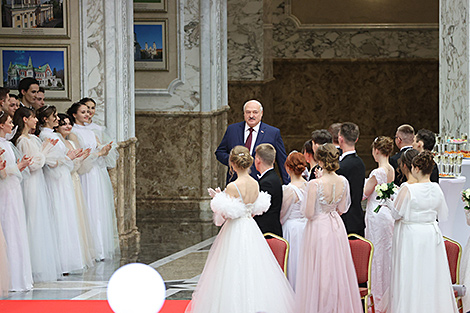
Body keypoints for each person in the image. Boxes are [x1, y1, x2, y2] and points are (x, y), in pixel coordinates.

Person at [186, 145, 294, 313]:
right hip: (251, 229)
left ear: (233, 164)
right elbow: (252, 210)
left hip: (235, 229)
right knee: (253, 268)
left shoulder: (232, 187)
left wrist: (218, 199)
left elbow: (226, 215)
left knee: (230, 270)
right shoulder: (255, 184)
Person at [295, 143, 362, 313]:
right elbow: (342, 209)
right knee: (336, 269)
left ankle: (320, 307)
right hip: (336, 226)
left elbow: (308, 213)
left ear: (320, 161)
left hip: (318, 226)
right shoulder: (343, 181)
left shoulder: (315, 185)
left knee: (319, 269)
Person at [389, 151, 457, 313]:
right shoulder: (436, 188)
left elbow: (395, 214)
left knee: (412, 274)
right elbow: (442, 213)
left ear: (417, 168)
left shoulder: (407, 188)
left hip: (411, 234)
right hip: (430, 233)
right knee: (430, 274)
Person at [12, 107, 62, 281]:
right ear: (25, 120)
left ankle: (40, 261)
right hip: (31, 183)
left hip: (38, 181)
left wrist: (48, 153)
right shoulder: (23, 141)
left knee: (40, 218)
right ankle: (33, 262)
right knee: (32, 217)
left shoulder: (32, 138)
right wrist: (45, 151)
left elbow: (41, 159)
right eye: (33, 117)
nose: (35, 120)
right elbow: (33, 164)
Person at [67, 102, 119, 260]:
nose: (87, 114)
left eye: (88, 112)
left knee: (98, 206)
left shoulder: (92, 130)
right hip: (85, 173)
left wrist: (104, 150)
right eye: (83, 112)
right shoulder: (73, 132)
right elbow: (80, 153)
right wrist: (97, 153)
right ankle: (90, 248)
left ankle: (100, 248)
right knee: (88, 205)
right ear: (74, 115)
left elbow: (98, 146)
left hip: (97, 172)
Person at [37, 106, 86, 274]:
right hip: (54, 180)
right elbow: (50, 160)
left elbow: (62, 157)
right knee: (58, 215)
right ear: (46, 119)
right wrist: (67, 157)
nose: (57, 119)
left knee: (66, 215)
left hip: (63, 178)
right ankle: (60, 262)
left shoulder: (54, 135)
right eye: (54, 116)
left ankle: (68, 259)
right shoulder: (44, 136)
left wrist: (73, 157)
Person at [215, 99, 289, 184]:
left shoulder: (272, 133)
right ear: (244, 113)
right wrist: (234, 161)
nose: (251, 115)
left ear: (261, 113)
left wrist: (287, 185)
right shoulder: (232, 130)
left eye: (255, 112)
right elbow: (220, 152)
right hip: (236, 182)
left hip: (261, 184)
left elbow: (282, 160)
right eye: (248, 112)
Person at [55, 113, 96, 266]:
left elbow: (76, 166)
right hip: (67, 181)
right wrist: (73, 160)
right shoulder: (58, 142)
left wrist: (81, 158)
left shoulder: (71, 143)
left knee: (77, 214)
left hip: (75, 180)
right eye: (63, 124)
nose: (67, 126)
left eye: (69, 123)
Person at [0, 110, 33, 291]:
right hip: (5, 192)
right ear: (1, 125)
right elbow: (3, 173)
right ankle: (10, 276)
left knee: (16, 227)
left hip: (12, 190)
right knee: (9, 226)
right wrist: (17, 166)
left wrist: (20, 166)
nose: (12, 125)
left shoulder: (6, 144)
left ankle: (19, 275)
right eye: (9, 122)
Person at [362, 136, 395, 313]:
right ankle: (388, 293)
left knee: (376, 255)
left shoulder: (377, 173)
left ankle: (377, 296)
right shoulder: (391, 170)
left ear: (376, 151)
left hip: (376, 215)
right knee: (386, 253)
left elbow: (365, 194)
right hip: (387, 213)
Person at [280, 151, 308, 290]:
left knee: (293, 262)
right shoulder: (310, 185)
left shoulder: (289, 190)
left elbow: (283, 213)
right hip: (306, 227)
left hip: (292, 228)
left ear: (288, 168)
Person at [336, 122, 366, 236]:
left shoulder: (341, 167)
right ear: (357, 139)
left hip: (345, 220)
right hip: (357, 218)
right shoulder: (360, 163)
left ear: (340, 139)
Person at [254, 143, 283, 237]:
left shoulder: (267, 182)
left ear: (258, 160)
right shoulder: (272, 177)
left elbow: (260, 210)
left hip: (267, 231)